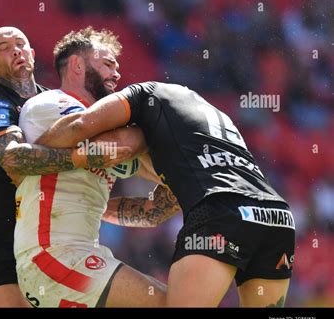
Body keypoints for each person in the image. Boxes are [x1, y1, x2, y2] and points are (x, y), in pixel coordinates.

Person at [36, 81, 295, 307]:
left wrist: (30, 161)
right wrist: (95, 209)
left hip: (222, 211)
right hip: (277, 216)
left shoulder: (146, 94)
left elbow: (82, 124)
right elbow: (152, 213)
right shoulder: (205, 123)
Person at [0, 27, 123, 307]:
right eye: (3, 47)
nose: (15, 50)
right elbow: (13, 158)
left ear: (32, 54)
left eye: (20, 44)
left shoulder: (53, 101)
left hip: (10, 245)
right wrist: (79, 158)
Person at [13, 28, 179, 308]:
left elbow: (152, 213)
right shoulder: (51, 104)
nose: (116, 74)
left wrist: (176, 175)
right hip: (55, 257)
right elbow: (118, 149)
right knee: (171, 303)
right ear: (77, 64)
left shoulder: (103, 130)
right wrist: (148, 134)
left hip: (71, 259)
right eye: (108, 64)